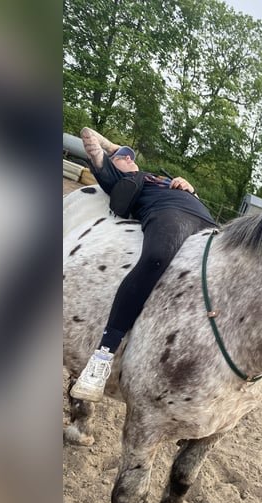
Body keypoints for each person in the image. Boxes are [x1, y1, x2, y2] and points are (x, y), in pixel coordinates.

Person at [70, 127, 217, 401]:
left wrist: (190, 187)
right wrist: (116, 151)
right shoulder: (118, 179)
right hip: (168, 214)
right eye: (123, 156)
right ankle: (102, 356)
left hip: (204, 217)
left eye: (131, 155)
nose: (129, 157)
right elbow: (89, 135)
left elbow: (192, 195)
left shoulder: (158, 177)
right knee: (157, 256)